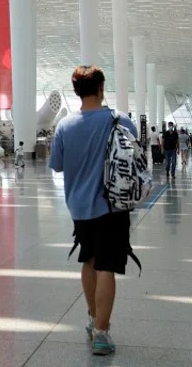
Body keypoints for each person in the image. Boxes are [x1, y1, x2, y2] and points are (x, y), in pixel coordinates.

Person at [49, 66, 137, 356]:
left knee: (88, 260)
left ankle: (92, 318)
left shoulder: (64, 126)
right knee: (107, 267)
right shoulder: (121, 120)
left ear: (76, 91)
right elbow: (134, 156)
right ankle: (101, 332)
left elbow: (57, 165)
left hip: (79, 207)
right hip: (112, 204)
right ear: (101, 88)